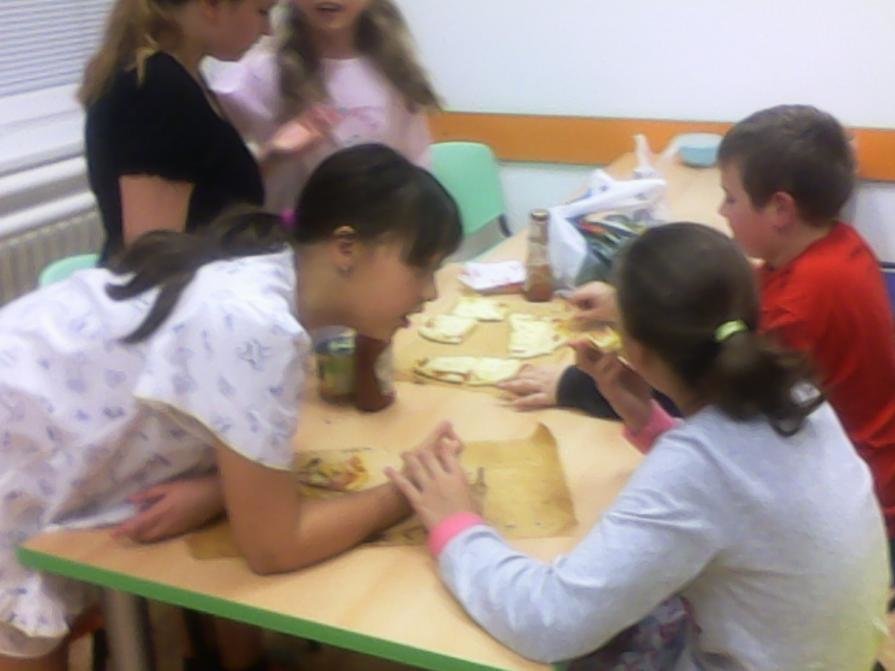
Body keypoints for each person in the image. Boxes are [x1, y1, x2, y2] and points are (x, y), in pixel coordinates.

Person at [0, 144, 462, 670]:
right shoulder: (257, 324)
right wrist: (407, 492)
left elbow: (236, 438)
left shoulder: (276, 285)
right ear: (346, 249)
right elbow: (274, 547)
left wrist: (219, 489)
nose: (430, 292)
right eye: (421, 268)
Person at [389, 222, 889, 669]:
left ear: (638, 352)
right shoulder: (795, 393)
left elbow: (551, 621)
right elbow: (741, 489)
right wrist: (646, 420)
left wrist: (458, 525)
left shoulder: (696, 467)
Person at [505, 106, 895, 548]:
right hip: (860, 470)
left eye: (730, 197)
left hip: (851, 511)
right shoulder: (837, 245)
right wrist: (626, 305)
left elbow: (696, 380)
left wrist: (572, 387)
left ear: (780, 208)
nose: (721, 210)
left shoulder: (794, 312)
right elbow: (720, 314)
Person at [82, 0, 318, 262]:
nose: (268, 30)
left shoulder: (183, 76)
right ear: (210, 6)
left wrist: (272, 156)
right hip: (177, 284)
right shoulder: (156, 90)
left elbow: (207, 192)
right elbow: (152, 256)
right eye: (261, 11)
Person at [209, 0, 440, 212]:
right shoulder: (259, 74)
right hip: (281, 236)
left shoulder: (396, 74)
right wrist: (272, 155)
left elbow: (416, 171)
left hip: (375, 234)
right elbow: (213, 178)